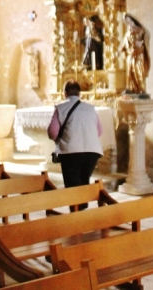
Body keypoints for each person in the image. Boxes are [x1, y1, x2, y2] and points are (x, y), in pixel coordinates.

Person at [47, 80, 103, 210]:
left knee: (73, 187)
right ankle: (82, 212)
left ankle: (77, 218)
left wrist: (63, 139)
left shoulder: (60, 108)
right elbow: (99, 131)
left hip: (70, 152)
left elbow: (52, 132)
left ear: (65, 93)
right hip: (92, 152)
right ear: (79, 94)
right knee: (83, 182)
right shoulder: (91, 109)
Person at [120, 14, 150, 94]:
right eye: (127, 22)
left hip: (139, 54)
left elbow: (142, 40)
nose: (129, 23)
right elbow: (124, 45)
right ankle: (131, 88)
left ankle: (141, 89)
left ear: (133, 20)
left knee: (138, 72)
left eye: (130, 20)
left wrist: (140, 42)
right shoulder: (128, 33)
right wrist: (119, 52)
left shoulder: (140, 30)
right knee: (130, 73)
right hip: (130, 55)